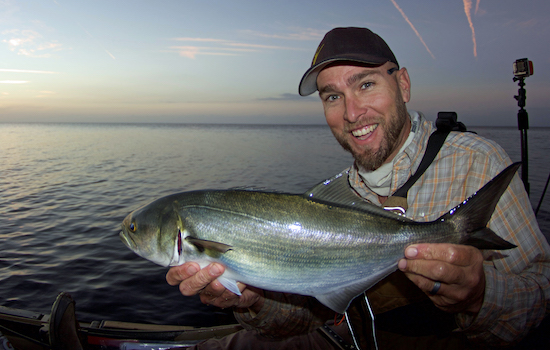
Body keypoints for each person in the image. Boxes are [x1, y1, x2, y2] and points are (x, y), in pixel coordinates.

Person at [166, 27, 550, 349]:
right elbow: (303, 318)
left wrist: (481, 294)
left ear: (402, 84)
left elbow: (540, 299)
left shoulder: (475, 162)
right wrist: (252, 301)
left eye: (366, 84)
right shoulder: (343, 194)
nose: (351, 113)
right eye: (333, 96)